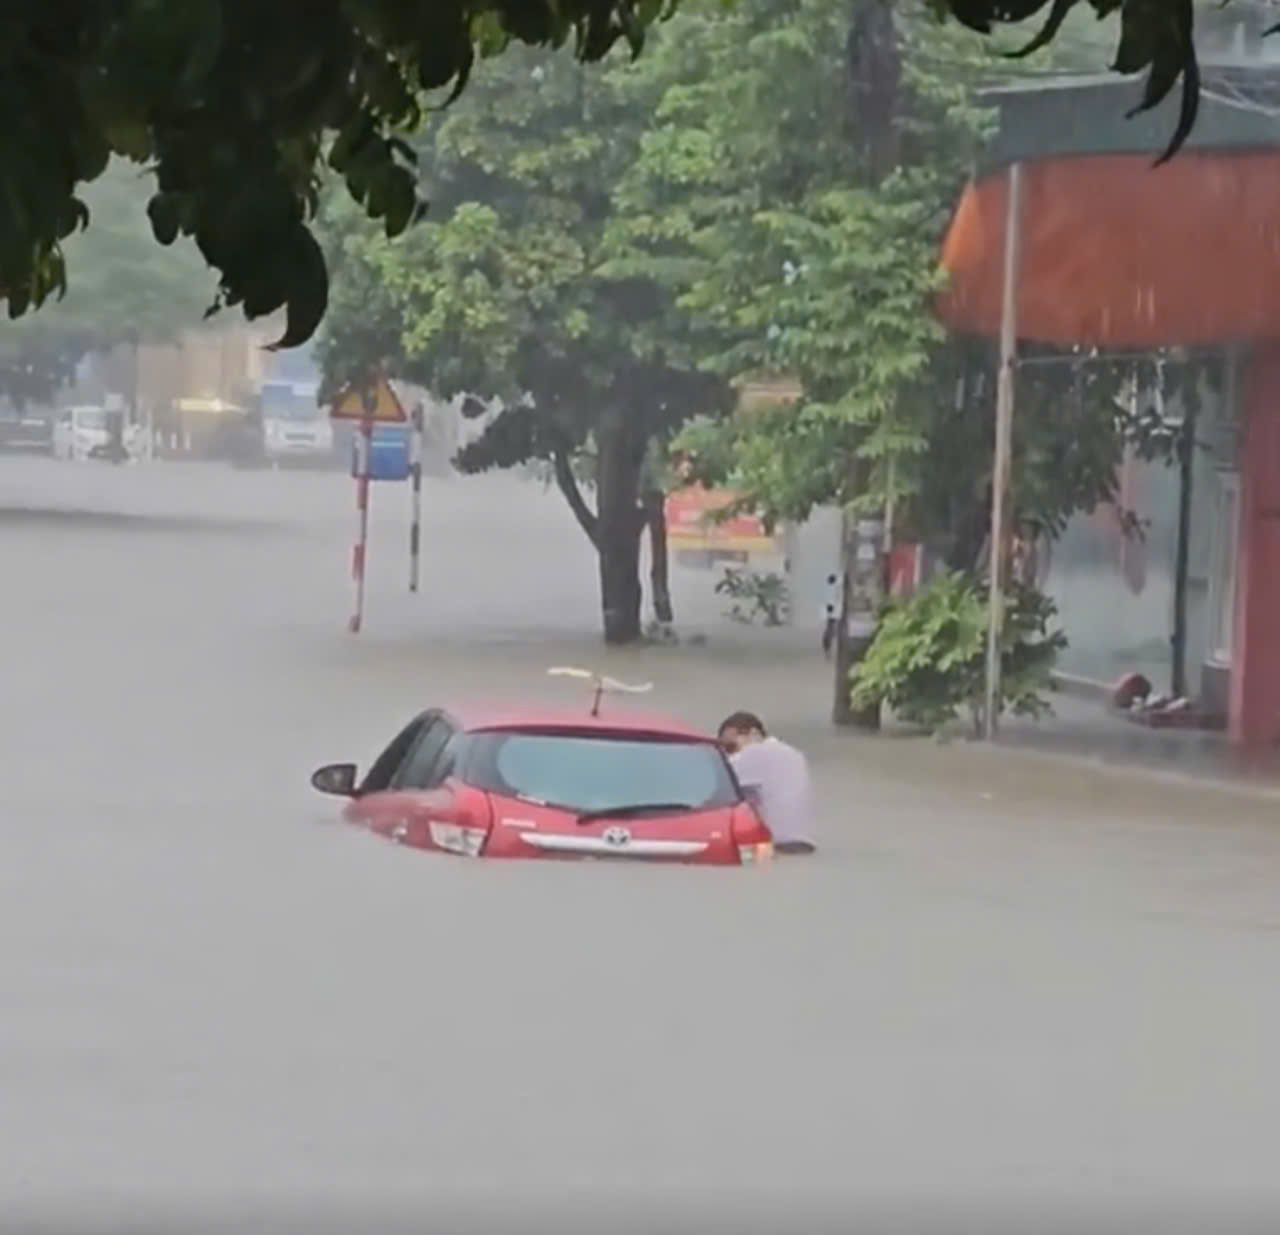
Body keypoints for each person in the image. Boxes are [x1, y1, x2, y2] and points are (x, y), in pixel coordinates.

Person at [717, 711, 817, 855]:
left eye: (731, 747)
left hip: (776, 846)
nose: (730, 754)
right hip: (805, 843)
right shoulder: (795, 754)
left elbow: (715, 777)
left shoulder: (754, 752)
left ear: (753, 734)